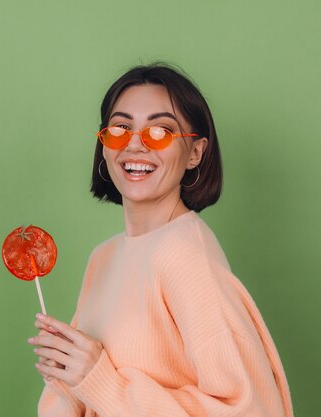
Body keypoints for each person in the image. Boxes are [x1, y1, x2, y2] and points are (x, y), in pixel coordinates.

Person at [28, 63, 294, 417]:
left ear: (195, 153)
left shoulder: (184, 253)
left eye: (161, 131)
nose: (135, 145)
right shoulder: (104, 257)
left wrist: (98, 378)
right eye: (121, 128)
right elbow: (85, 396)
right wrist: (65, 382)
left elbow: (250, 410)